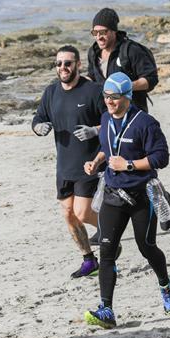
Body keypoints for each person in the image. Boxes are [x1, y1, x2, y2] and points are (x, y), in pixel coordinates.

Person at [82, 72, 170, 328]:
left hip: (141, 196)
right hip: (113, 195)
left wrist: (129, 165)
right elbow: (108, 147)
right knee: (107, 252)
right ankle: (106, 309)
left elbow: (161, 158)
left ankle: (165, 284)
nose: (109, 101)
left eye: (114, 97)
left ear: (127, 96)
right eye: (106, 96)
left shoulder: (145, 123)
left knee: (146, 247)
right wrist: (96, 161)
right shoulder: (106, 118)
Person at [33, 45, 106, 278]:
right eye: (59, 63)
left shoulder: (93, 91)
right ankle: (89, 260)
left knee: (82, 213)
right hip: (64, 166)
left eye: (67, 63)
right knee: (68, 214)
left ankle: (111, 231)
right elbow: (38, 117)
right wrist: (38, 127)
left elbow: (113, 120)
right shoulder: (51, 92)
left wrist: (95, 130)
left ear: (78, 64)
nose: (63, 67)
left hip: (89, 163)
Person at [87, 8, 159, 113]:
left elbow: (151, 79)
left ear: (114, 31)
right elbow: (92, 76)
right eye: (95, 32)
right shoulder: (93, 52)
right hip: (104, 112)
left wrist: (124, 87)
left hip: (132, 112)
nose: (98, 37)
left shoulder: (131, 50)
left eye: (103, 32)